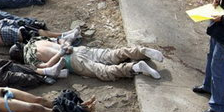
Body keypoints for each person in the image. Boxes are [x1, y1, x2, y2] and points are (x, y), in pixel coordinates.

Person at [10, 37, 164, 81]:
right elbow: (60, 39)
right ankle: (140, 51)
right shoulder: (36, 41)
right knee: (111, 55)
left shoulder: (30, 57)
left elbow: (48, 65)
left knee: (104, 71)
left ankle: (135, 67)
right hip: (77, 49)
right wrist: (65, 45)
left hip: (72, 61)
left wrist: (61, 53)